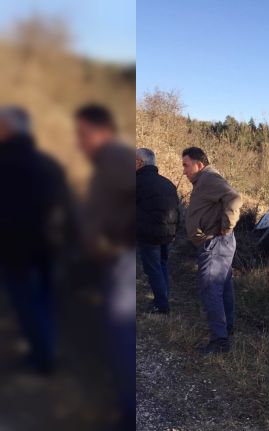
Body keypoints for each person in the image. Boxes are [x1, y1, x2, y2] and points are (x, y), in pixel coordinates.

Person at [75, 104, 136, 429]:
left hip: (120, 260)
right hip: (113, 259)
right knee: (115, 334)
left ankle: (129, 413)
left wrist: (115, 237)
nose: (79, 142)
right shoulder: (108, 161)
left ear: (103, 131)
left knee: (122, 334)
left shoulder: (115, 159)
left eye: (83, 134)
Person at [0, 106, 73, 375]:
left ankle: (42, 358)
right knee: (44, 300)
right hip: (48, 247)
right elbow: (67, 208)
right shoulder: (49, 164)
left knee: (25, 303)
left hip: (14, 251)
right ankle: (47, 350)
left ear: (5, 129)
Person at [182, 146, 242, 354]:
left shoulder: (208, 178)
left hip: (216, 242)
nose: (184, 170)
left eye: (186, 165)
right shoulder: (205, 180)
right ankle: (227, 327)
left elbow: (234, 198)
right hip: (218, 242)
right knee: (223, 286)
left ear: (199, 165)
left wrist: (227, 226)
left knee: (210, 288)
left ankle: (220, 341)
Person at [136, 148, 179, 314]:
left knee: (152, 268)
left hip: (148, 233)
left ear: (139, 162)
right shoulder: (167, 183)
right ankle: (163, 298)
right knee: (162, 265)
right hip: (168, 233)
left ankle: (161, 305)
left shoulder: (137, 182)